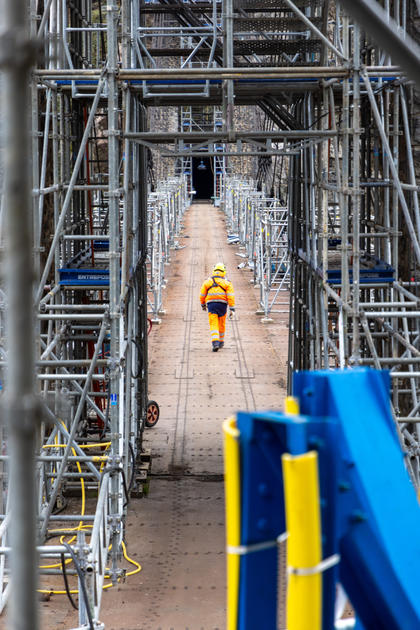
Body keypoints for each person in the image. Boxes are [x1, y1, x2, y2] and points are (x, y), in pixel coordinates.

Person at [200, 262, 235, 352]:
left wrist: (203, 304)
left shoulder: (208, 281)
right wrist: (232, 308)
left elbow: (202, 294)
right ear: (224, 271)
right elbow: (230, 296)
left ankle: (215, 343)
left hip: (211, 305)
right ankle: (221, 341)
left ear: (214, 271)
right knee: (222, 323)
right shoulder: (227, 283)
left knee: (213, 323)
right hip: (222, 305)